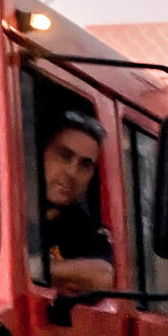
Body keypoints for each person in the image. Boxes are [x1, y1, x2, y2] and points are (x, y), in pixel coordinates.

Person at [35, 111, 115, 296]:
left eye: (85, 165)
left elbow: (102, 275)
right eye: (64, 156)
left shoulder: (84, 229)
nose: (72, 172)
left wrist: (34, 268)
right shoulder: (3, 213)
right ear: (40, 153)